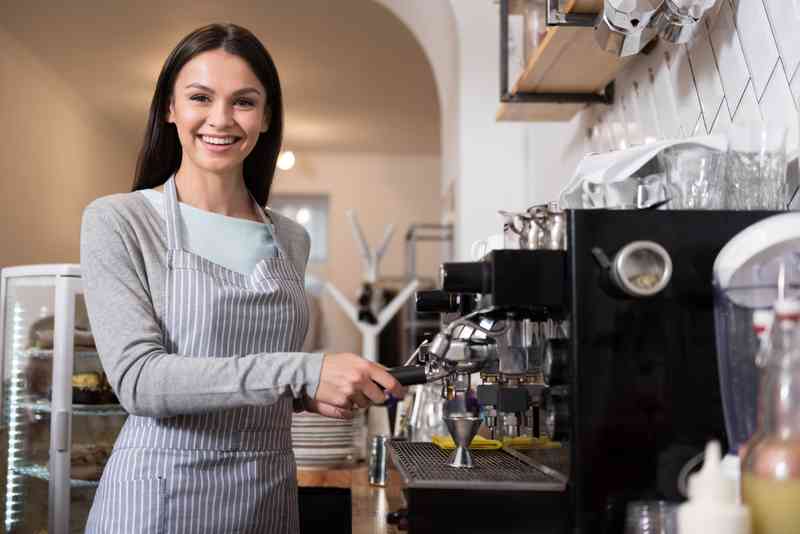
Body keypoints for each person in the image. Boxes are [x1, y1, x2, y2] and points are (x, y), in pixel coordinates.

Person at [80, 23, 404, 534]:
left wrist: (313, 391)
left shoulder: (290, 239)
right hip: (160, 498)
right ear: (169, 107)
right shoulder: (119, 220)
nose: (221, 119)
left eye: (244, 102)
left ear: (267, 115)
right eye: (200, 98)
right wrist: (299, 372)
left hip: (268, 496)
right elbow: (140, 381)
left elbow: (259, 376)